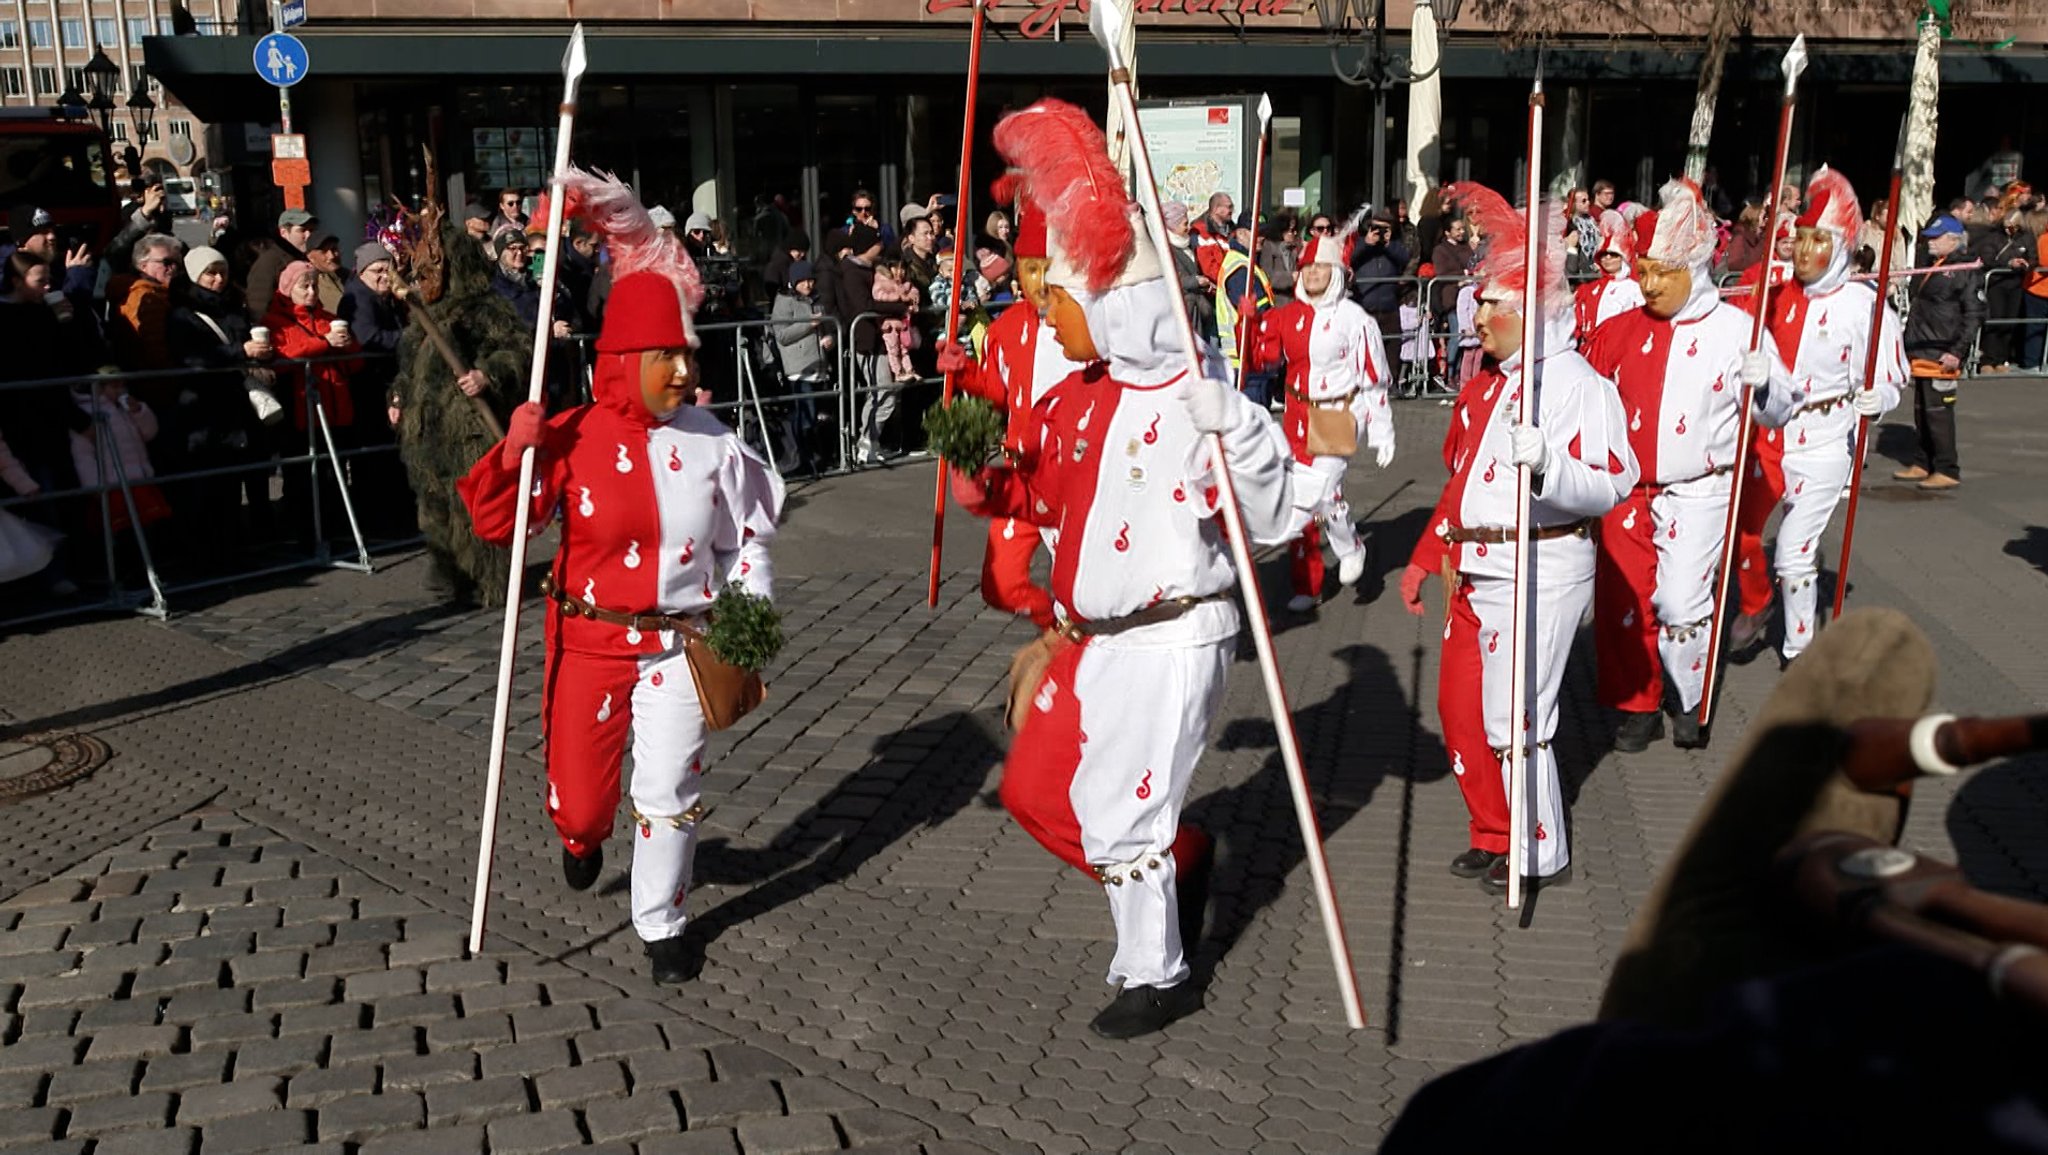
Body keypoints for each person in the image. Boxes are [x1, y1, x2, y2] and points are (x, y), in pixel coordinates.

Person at [950, 97, 1313, 1039]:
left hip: (1174, 629)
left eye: (1062, 301)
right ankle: (1176, 879)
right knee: (1059, 796)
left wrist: (1240, 438)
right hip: (1095, 635)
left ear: (1111, 303)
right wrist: (974, 445)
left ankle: (1160, 971)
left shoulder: (1196, 398)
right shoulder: (1082, 396)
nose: (1048, 316)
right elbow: (1026, 498)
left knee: (1125, 811)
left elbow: (1270, 521)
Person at [459, 168, 784, 984]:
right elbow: (498, 524)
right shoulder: (572, 435)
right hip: (590, 637)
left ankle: (661, 917)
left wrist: (749, 608)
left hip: (679, 643)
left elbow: (746, 538)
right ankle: (579, 835)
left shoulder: (713, 439)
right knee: (583, 799)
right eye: (664, 356)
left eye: (685, 353)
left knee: (670, 783)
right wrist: (514, 451)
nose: (682, 370)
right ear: (622, 358)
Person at [1399, 181, 1636, 895]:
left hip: (1541, 562)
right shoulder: (1495, 382)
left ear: (1528, 309)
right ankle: (1497, 829)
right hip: (1478, 563)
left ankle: (1538, 848)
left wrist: (1549, 465)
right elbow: (1461, 478)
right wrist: (1427, 553)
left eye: (1493, 304)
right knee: (1462, 708)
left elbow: (1614, 480)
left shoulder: (1577, 383)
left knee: (1517, 718)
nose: (1479, 314)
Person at [1583, 180, 1792, 753]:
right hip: (1626, 491)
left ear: (1693, 267)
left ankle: (1687, 692)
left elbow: (1780, 407)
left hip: (1699, 489)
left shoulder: (1735, 330)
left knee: (1680, 601)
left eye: (1662, 273)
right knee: (1626, 601)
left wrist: (1765, 380)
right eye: (1643, 270)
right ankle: (1638, 702)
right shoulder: (1618, 330)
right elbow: (1583, 398)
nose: (1648, 284)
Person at [1747, 168, 1906, 665]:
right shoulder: (1777, 296)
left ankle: (1799, 651)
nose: (1804, 250)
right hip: (1772, 434)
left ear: (1840, 247)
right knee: (1745, 535)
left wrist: (1879, 399)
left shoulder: (1863, 306)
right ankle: (1758, 610)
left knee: (1793, 550)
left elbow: (1891, 375)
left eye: (1819, 240)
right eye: (1800, 238)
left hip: (1825, 438)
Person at [934, 192, 1081, 630]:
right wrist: (963, 372)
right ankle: (1055, 629)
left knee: (1083, 589)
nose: (1037, 281)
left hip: (1074, 480)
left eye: (1047, 269)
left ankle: (1077, 653)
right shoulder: (1008, 326)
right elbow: (998, 393)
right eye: (1029, 267)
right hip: (1022, 477)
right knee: (1001, 584)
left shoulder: (1087, 323)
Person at [1250, 212, 1392, 611]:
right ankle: (1307, 583)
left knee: (1320, 491)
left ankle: (1350, 545)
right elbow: (1264, 360)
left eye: (1322, 267)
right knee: (1306, 497)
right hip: (1296, 413)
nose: (1313, 273)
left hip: (1339, 413)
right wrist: (1251, 325)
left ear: (1337, 274)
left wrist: (1383, 431)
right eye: (1308, 266)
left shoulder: (1355, 319)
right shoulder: (1286, 315)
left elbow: (1374, 376)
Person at [389, 224, 525, 605]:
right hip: (427, 426)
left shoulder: (486, 308)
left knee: (476, 505)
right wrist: (398, 397)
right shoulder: (423, 311)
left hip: (468, 426)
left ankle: (490, 580)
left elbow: (518, 351)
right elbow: (407, 367)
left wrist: (488, 374)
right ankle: (447, 574)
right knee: (433, 503)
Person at [169, 243, 276, 546]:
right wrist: (238, 351)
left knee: (251, 474)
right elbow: (191, 358)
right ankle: (215, 547)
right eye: (210, 274)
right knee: (213, 484)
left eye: (222, 272)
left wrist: (260, 355)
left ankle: (253, 539)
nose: (218, 279)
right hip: (205, 406)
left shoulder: (234, 307)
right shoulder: (182, 315)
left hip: (239, 403)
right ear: (195, 276)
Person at [263, 260, 363, 542]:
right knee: (303, 476)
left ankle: (335, 530)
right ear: (288, 289)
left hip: (336, 407)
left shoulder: (329, 318)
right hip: (302, 410)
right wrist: (324, 343)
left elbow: (355, 364)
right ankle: (304, 533)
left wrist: (348, 346)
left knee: (337, 473)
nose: (310, 292)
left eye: (314, 286)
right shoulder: (274, 322)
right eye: (303, 286)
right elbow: (283, 357)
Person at [1892, 216, 1982, 490]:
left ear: (1953, 239)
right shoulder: (1933, 264)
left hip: (1943, 350)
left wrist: (1957, 351)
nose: (1930, 241)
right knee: (1921, 411)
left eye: (1937, 237)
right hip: (1922, 346)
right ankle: (1923, 461)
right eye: (1930, 237)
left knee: (1938, 412)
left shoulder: (1964, 268)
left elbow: (1974, 314)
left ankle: (1946, 467)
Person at [337, 242, 414, 536]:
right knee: (374, 458)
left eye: (388, 269)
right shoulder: (358, 299)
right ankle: (379, 521)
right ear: (363, 272)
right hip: (369, 387)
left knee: (392, 455)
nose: (385, 276)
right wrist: (410, 337)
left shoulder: (387, 299)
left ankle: (396, 516)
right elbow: (370, 337)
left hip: (389, 382)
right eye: (378, 270)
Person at [835, 223, 912, 463]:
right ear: (867, 247)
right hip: (865, 339)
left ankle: (871, 442)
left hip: (880, 337)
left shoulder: (871, 269)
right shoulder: (851, 272)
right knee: (882, 392)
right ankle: (866, 441)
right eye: (877, 242)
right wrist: (899, 307)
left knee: (884, 391)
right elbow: (864, 306)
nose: (880, 246)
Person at [770, 258, 833, 473]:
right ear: (794, 281)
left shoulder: (816, 299)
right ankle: (805, 461)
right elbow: (782, 335)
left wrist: (828, 338)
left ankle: (813, 460)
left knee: (815, 416)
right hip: (798, 368)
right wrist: (809, 324)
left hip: (819, 365)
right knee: (805, 415)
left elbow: (823, 327)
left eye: (811, 280)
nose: (809, 285)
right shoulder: (784, 301)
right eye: (803, 281)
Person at [1214, 210, 1274, 402]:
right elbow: (1260, 313)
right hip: (1244, 359)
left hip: (1250, 356)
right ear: (1240, 234)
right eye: (1255, 232)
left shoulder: (1247, 263)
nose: (1261, 237)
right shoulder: (1240, 269)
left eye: (1263, 232)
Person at [1972, 207, 2035, 372]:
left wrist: (2027, 264)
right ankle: (1987, 360)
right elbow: (1987, 257)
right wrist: (2007, 264)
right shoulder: (1994, 237)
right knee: (1995, 320)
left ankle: (2001, 358)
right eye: (2007, 226)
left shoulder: (2026, 238)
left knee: (2010, 322)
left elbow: (2034, 257)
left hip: (2016, 284)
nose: (2009, 229)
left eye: (2013, 226)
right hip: (1996, 283)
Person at [1571, 209, 1646, 347]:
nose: (1608, 258)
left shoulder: (1634, 289)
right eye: (1604, 255)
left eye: (1613, 255)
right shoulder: (1588, 290)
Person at [1348, 208, 1409, 345]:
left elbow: (1404, 259)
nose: (1379, 232)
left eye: (1384, 228)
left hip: (1389, 308)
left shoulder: (1395, 245)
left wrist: (1388, 244)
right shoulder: (1359, 243)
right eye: (1376, 227)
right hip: (1365, 308)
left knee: (1392, 353)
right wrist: (1367, 243)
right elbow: (1350, 259)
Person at [245, 209, 315, 319]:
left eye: (311, 230)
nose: (308, 235)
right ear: (283, 232)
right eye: (302, 230)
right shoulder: (269, 262)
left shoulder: (305, 257)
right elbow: (259, 307)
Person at [1161, 201, 1215, 342]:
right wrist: (1196, 281)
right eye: (1185, 224)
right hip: (1187, 312)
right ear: (1173, 226)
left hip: (1200, 312)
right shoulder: (1165, 249)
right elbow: (1170, 279)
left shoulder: (1186, 243)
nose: (1189, 227)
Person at [869, 252, 922, 383]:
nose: (899, 272)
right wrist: (897, 297)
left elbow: (914, 290)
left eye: (902, 268)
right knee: (893, 349)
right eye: (895, 268)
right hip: (889, 325)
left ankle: (909, 370)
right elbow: (878, 295)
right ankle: (898, 372)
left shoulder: (905, 283)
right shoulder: (882, 280)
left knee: (904, 348)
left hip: (901, 323)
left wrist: (913, 298)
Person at [1258, 214, 1299, 308]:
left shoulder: (1293, 249)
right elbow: (1266, 276)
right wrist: (1290, 278)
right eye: (1291, 230)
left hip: (1292, 302)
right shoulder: (1268, 247)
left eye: (1295, 230)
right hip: (1277, 301)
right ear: (1281, 231)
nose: (1295, 233)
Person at [306, 234, 348, 312]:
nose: (332, 256)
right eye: (324, 252)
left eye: (334, 249)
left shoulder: (350, 277)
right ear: (311, 258)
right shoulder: (309, 283)